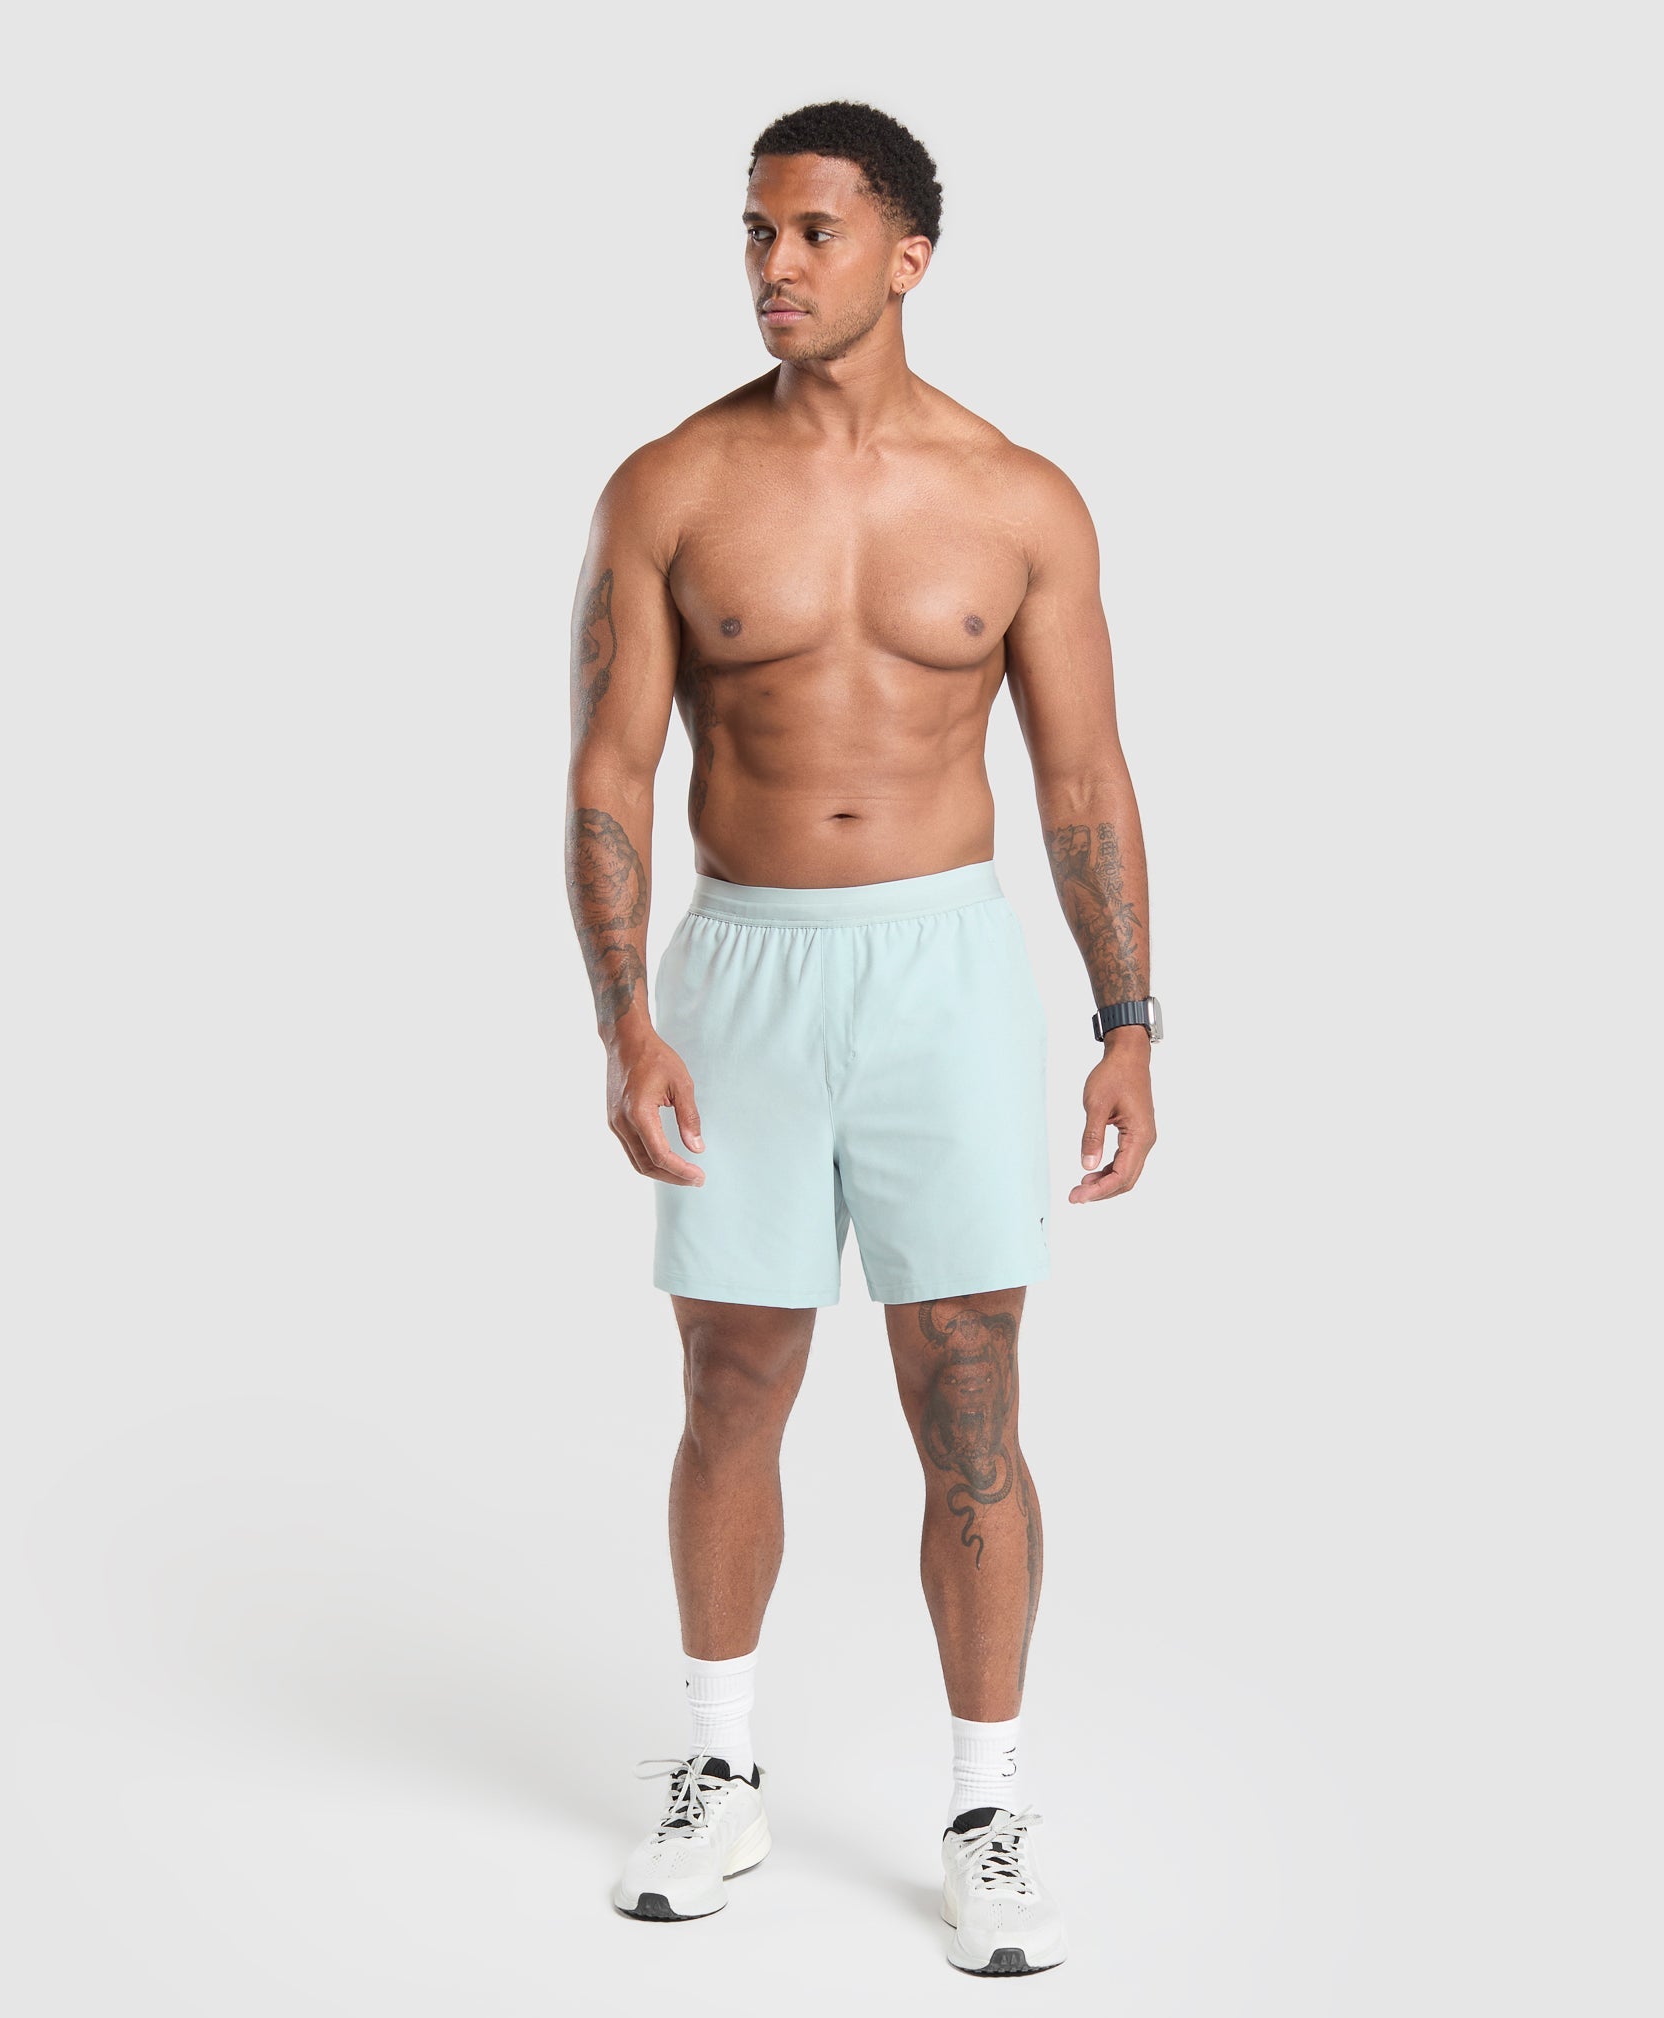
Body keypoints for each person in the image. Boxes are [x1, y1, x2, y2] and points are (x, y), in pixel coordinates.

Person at [565, 99, 1159, 1976]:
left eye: (813, 232)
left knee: (968, 1388)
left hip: (944, 976)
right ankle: (720, 1769)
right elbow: (610, 773)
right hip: (741, 968)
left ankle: (986, 1805)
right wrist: (624, 1018)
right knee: (732, 1380)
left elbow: (1083, 778)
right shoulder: (668, 487)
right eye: (756, 230)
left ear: (908, 256)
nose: (774, 265)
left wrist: (1129, 1022)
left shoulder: (1018, 498)